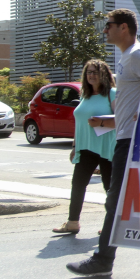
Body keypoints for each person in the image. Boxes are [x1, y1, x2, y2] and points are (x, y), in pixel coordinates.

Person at [66, 9, 140, 277]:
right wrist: (111, 121)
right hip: (127, 136)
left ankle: (103, 260)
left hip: (133, 140)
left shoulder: (137, 54)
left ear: (123, 27)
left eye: (108, 25)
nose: (104, 30)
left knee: (117, 200)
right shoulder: (126, 57)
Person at [52, 60, 117, 235]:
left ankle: (111, 225)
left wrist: (101, 122)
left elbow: (122, 121)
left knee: (108, 187)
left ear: (104, 74)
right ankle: (73, 222)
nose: (91, 75)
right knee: (78, 184)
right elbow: (79, 124)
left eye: (95, 72)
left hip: (106, 147)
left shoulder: (112, 94)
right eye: (89, 72)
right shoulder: (84, 95)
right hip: (85, 147)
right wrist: (75, 146)